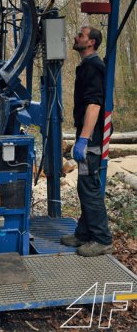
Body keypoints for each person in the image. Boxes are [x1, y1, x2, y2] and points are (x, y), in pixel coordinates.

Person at [61, 25, 113, 257]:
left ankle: (102, 239)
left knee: (89, 187)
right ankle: (84, 233)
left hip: (91, 138)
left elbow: (94, 104)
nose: (75, 37)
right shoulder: (87, 66)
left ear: (91, 42)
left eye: (80, 35)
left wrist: (83, 139)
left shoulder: (93, 67)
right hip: (88, 135)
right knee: (85, 187)